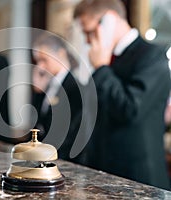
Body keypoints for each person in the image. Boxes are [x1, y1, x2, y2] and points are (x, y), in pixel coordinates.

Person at [74, 0, 171, 189]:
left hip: (138, 179)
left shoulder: (152, 56)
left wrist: (101, 67)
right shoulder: (105, 58)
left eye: (90, 32)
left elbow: (130, 109)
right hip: (102, 174)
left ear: (109, 20)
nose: (87, 41)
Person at [31, 34, 83, 162]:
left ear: (60, 54)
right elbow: (38, 123)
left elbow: (71, 134)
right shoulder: (47, 84)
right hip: (44, 157)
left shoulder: (76, 88)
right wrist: (37, 93)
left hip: (62, 160)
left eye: (44, 60)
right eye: (37, 61)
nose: (40, 67)